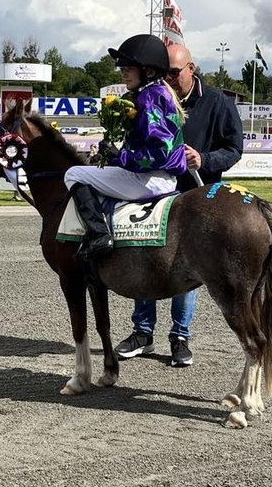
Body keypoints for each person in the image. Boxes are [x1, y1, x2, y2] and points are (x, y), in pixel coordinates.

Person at [114, 43, 244, 367]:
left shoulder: (217, 103)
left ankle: (180, 336)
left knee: (188, 267)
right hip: (155, 192)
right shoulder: (151, 96)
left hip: (197, 197)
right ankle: (142, 332)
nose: (168, 78)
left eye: (174, 71)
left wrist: (204, 158)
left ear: (192, 69)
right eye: (164, 72)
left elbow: (235, 147)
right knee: (144, 256)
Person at [64, 34, 188, 262]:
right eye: (123, 67)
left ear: (149, 71)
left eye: (129, 67)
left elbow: (159, 153)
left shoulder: (149, 98)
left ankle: (99, 235)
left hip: (149, 180)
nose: (123, 72)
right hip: (158, 178)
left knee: (73, 173)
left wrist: (119, 157)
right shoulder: (156, 93)